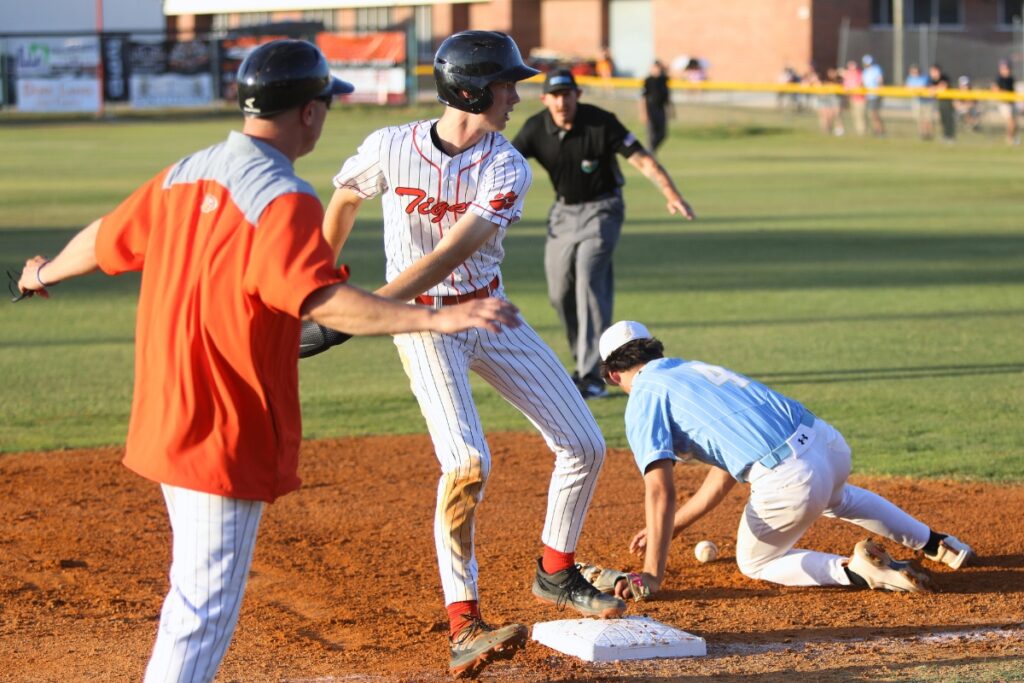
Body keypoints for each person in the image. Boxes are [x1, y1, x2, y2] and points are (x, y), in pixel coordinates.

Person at [13, 40, 522, 682]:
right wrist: (436, 316)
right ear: (308, 113)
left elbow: (106, 236)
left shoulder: (187, 171)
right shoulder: (283, 198)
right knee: (203, 613)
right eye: (326, 105)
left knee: (191, 599)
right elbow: (326, 301)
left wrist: (42, 273)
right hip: (224, 425)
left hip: (164, 412)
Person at [317, 31, 626, 678]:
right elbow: (344, 196)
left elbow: (451, 255)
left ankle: (556, 569)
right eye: (506, 83)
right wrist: (321, 277)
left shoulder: (505, 164)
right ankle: (464, 624)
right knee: (465, 461)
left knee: (585, 443)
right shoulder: (391, 147)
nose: (517, 95)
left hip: (487, 311)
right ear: (470, 89)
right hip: (424, 324)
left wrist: (360, 310)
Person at [581, 320, 974, 600]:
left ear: (614, 375)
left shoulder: (644, 396)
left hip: (792, 478)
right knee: (838, 497)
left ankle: (858, 571)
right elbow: (722, 475)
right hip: (828, 444)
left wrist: (651, 575)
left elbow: (659, 489)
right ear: (654, 350)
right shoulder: (692, 370)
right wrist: (675, 527)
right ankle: (940, 544)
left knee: (755, 562)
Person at [511, 69, 695, 399]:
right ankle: (582, 363)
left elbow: (642, 160)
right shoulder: (536, 127)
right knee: (560, 291)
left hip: (603, 210)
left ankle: (591, 373)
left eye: (567, 94)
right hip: (563, 214)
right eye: (554, 95)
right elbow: (505, 162)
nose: (561, 101)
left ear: (577, 95)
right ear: (544, 99)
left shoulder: (601, 122)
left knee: (588, 278)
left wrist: (672, 194)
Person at [640, 59, 673, 153]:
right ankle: (649, 153)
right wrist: (643, 113)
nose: (657, 70)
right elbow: (643, 98)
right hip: (650, 108)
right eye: (655, 67)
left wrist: (670, 110)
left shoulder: (664, 80)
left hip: (661, 109)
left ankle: (650, 152)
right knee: (651, 134)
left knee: (663, 134)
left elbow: (667, 96)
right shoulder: (648, 80)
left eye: (658, 67)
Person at [992, 59, 1019, 145]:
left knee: (1014, 123)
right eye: (1004, 68)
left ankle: (1012, 139)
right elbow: (995, 90)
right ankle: (1009, 140)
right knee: (1011, 122)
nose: (1006, 70)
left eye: (1007, 68)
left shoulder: (1011, 78)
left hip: (1012, 103)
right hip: (1004, 103)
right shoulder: (998, 78)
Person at [905, 64, 933, 140]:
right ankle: (922, 134)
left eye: (915, 71)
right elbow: (907, 88)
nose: (914, 73)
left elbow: (926, 87)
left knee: (927, 119)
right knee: (919, 119)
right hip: (917, 101)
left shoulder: (925, 78)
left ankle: (929, 134)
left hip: (926, 101)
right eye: (912, 71)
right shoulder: (909, 79)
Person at [930, 64, 956, 143]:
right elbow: (931, 90)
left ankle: (951, 137)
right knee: (943, 119)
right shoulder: (933, 80)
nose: (932, 73)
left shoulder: (944, 77)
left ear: (938, 71)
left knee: (949, 119)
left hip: (948, 101)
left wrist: (935, 89)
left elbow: (943, 87)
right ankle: (945, 136)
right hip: (940, 101)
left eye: (933, 71)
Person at [861, 54, 885, 136]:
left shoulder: (876, 69)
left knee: (874, 114)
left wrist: (880, 91)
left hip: (875, 95)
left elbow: (880, 80)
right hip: (869, 95)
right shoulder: (865, 71)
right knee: (872, 114)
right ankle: (877, 130)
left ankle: (880, 131)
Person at [842, 59, 866, 136]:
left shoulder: (859, 74)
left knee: (860, 115)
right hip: (851, 98)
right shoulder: (848, 74)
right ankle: (857, 131)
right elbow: (845, 85)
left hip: (860, 98)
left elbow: (860, 84)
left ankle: (862, 132)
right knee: (854, 115)